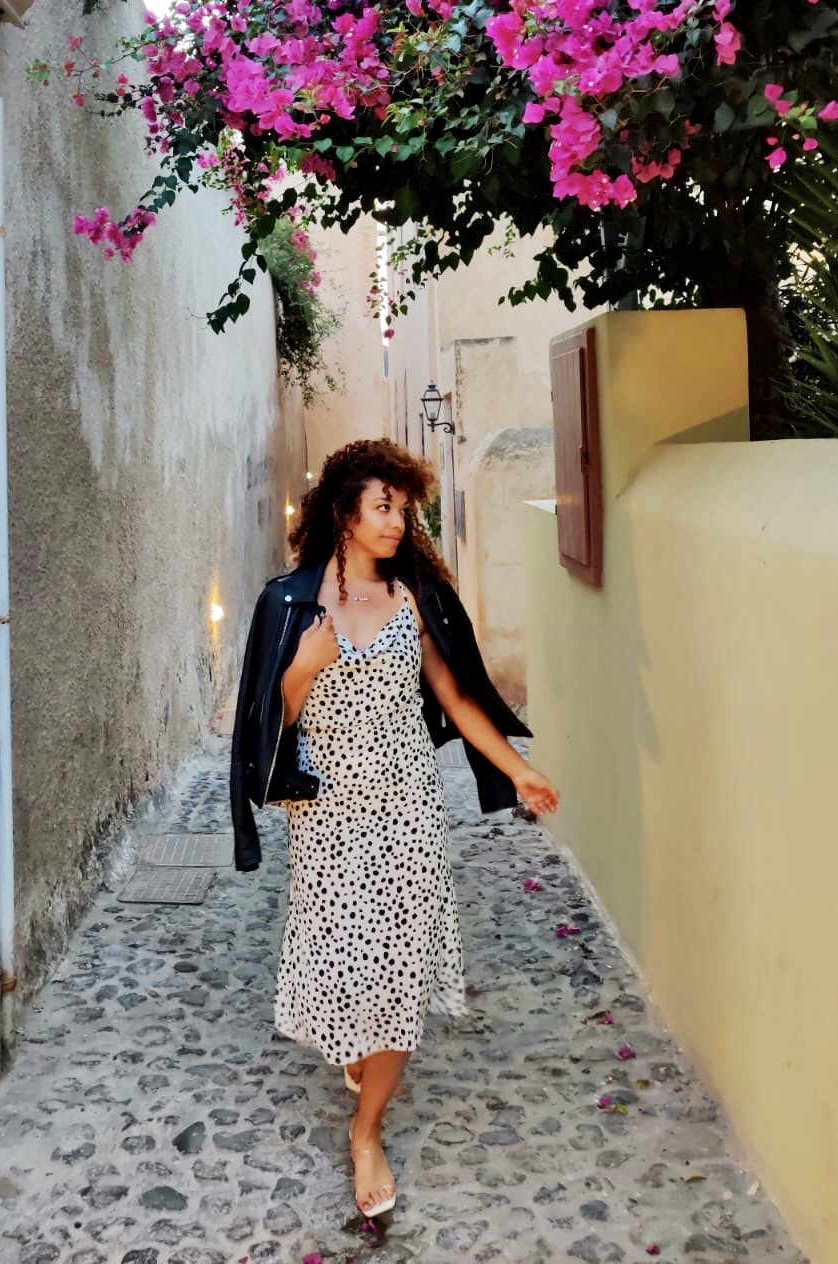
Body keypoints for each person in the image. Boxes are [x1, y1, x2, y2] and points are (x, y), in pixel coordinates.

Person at [228, 439, 560, 1218]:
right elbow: (268, 722)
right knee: (346, 963)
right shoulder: (290, 603)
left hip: (409, 807)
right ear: (343, 513)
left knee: (398, 970)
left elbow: (456, 696)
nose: (397, 522)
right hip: (329, 816)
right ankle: (360, 1052)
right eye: (383, 507)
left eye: (403, 510)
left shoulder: (416, 598)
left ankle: (367, 1131)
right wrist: (303, 666)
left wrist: (517, 770)